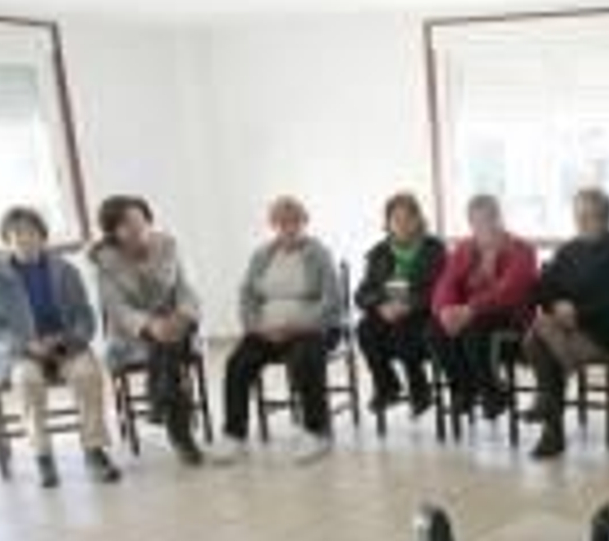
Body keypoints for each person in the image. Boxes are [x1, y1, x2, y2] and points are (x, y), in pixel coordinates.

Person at [0, 206, 120, 488]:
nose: (24, 239)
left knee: (88, 374)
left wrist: (70, 339)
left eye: (30, 232)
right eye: (16, 234)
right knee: (27, 381)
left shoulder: (65, 270)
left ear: (42, 235)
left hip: (65, 345)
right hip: (21, 350)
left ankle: (94, 450)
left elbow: (84, 314)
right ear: (7, 239)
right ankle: (43, 456)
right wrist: (23, 344)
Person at [211, 196, 344, 466]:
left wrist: (300, 325)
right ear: (273, 224)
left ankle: (316, 431)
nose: (288, 227)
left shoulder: (318, 253)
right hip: (268, 330)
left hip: (312, 328)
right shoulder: (262, 255)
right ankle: (234, 435)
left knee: (305, 358)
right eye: (281, 222)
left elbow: (332, 300)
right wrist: (256, 327)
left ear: (303, 222)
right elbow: (247, 295)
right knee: (238, 362)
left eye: (294, 221)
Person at [92, 195, 205, 466]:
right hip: (135, 331)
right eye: (127, 224)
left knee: (169, 341)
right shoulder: (105, 260)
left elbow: (187, 288)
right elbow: (116, 307)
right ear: (113, 231)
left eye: (141, 221)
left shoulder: (168, 245)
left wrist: (181, 316)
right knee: (165, 347)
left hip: (178, 319)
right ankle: (181, 434)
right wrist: (149, 325)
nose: (137, 228)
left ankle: (160, 404)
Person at [522, 188, 609, 460]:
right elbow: (542, 288)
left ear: (606, 219)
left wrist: (577, 314)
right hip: (561, 331)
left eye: (589, 217)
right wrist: (558, 305)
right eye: (579, 216)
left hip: (601, 334)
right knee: (540, 336)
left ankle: (552, 427)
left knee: (538, 335)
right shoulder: (568, 250)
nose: (581, 223)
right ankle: (555, 392)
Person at [428, 194, 537, 421]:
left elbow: (510, 291)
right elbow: (445, 283)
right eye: (476, 221)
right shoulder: (464, 249)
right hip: (468, 315)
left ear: (499, 218)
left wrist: (471, 309)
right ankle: (463, 389)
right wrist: (445, 310)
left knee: (475, 328)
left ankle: (493, 393)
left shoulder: (521, 249)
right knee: (434, 330)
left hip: (510, 318)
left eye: (489, 219)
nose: (483, 226)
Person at [354, 191, 447, 418]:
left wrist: (410, 305)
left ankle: (420, 391)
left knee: (403, 329)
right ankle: (387, 387)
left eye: (407, 218)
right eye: (396, 220)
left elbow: (441, 290)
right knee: (365, 328)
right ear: (388, 223)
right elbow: (362, 294)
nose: (402, 224)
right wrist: (380, 306)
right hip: (387, 311)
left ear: (418, 220)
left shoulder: (434, 249)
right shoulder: (378, 253)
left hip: (423, 314)